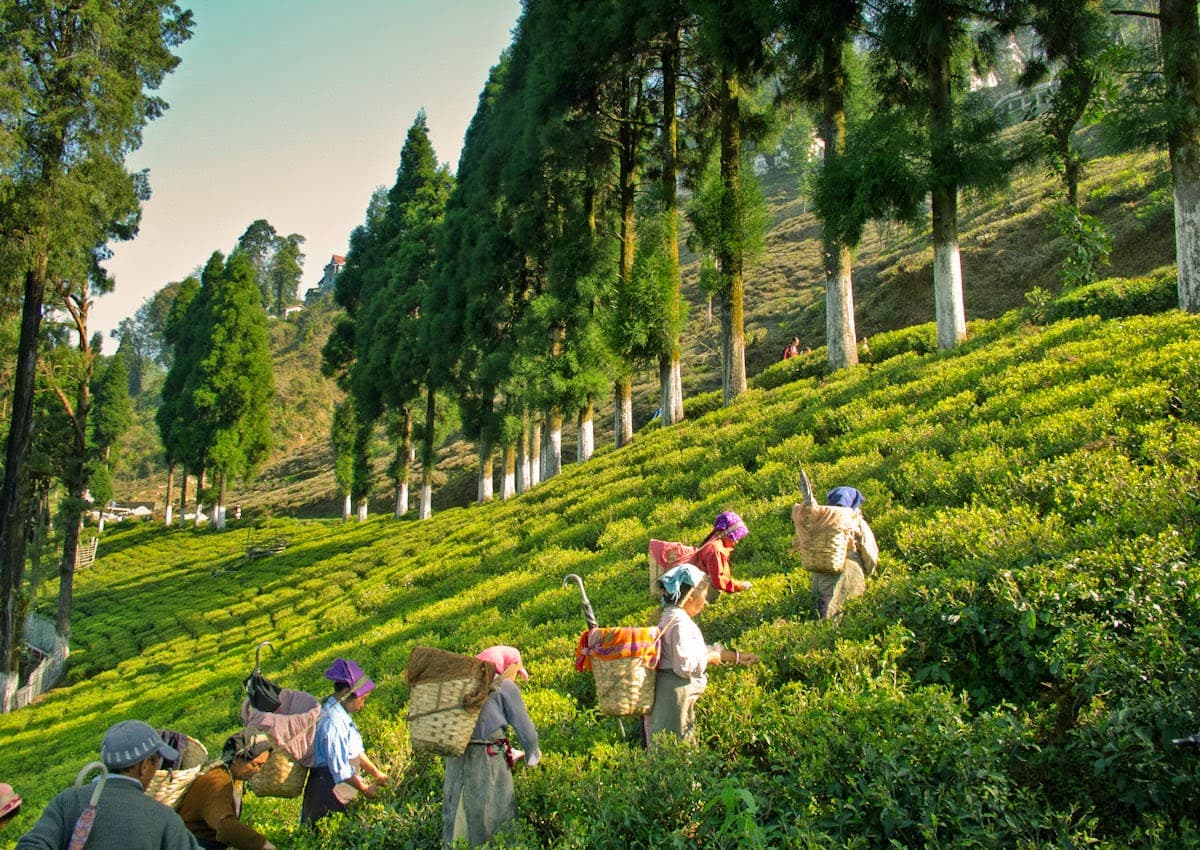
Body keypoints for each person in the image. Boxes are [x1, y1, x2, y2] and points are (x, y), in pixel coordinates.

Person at [16, 719, 201, 850]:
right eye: (157, 763)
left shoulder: (67, 801)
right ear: (144, 766)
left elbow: (31, 846)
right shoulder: (163, 818)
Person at [646, 565, 758, 746]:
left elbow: (693, 650)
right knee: (676, 749)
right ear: (691, 596)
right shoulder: (679, 622)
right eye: (704, 596)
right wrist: (710, 658)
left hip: (672, 693)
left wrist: (734, 657)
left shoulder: (672, 616)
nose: (705, 603)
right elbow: (684, 665)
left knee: (670, 748)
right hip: (675, 696)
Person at [442, 645, 541, 848]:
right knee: (491, 817)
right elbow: (527, 732)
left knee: (457, 815)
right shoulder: (505, 687)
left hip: (456, 759)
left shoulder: (460, 686)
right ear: (508, 667)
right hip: (487, 760)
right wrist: (533, 755)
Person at [300, 658, 389, 827]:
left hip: (339, 787)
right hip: (326, 789)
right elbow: (341, 770)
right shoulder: (332, 722)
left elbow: (355, 751)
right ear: (346, 692)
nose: (362, 705)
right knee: (324, 832)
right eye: (362, 699)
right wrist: (365, 789)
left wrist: (377, 774)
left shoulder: (340, 715)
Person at [176, 731, 276, 850]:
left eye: (261, 766)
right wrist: (263, 845)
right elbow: (225, 825)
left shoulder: (231, 776)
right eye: (255, 764)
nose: (257, 770)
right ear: (237, 758)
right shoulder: (218, 782)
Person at [801, 485, 879, 620]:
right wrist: (871, 571)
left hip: (821, 576)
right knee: (846, 614)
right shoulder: (855, 522)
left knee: (822, 611)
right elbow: (869, 552)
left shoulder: (821, 521)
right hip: (849, 573)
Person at [690, 510, 752, 598]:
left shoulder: (714, 540)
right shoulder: (715, 550)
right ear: (726, 534)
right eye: (735, 538)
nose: (736, 542)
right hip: (700, 594)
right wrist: (740, 586)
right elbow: (718, 580)